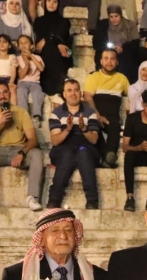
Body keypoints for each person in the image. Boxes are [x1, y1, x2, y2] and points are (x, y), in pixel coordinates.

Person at [0, 81, 45, 211]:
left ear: (10, 94)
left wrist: (22, 153)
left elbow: (33, 140)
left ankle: (32, 197)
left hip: (18, 151)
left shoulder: (21, 112)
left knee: (37, 153)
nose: (2, 96)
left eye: (5, 92)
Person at [47, 78, 101, 210]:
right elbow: (55, 140)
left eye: (76, 90)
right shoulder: (56, 113)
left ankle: (92, 201)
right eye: (69, 90)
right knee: (67, 153)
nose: (73, 93)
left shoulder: (90, 112)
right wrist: (67, 129)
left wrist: (84, 128)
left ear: (80, 93)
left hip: (86, 147)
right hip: (63, 148)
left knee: (83, 153)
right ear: (64, 94)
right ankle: (54, 200)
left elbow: (94, 140)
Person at [83, 48, 129, 168]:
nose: (109, 61)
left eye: (112, 59)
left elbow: (132, 94)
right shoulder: (93, 77)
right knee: (94, 126)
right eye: (106, 58)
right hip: (96, 113)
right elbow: (87, 97)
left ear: (117, 62)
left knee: (115, 124)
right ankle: (106, 156)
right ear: (101, 61)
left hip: (113, 117)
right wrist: (97, 116)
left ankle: (109, 155)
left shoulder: (122, 78)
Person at [34, 0, 73, 96]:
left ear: (58, 4)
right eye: (49, 1)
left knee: (51, 48)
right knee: (49, 48)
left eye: (55, 2)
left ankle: (53, 88)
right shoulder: (38, 21)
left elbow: (67, 47)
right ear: (45, 3)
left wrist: (49, 39)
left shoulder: (65, 22)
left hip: (64, 54)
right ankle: (56, 88)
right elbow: (39, 44)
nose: (51, 4)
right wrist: (56, 42)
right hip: (44, 55)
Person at [93, 4, 140, 84]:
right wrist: (109, 49)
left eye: (116, 16)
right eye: (111, 17)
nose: (114, 19)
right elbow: (96, 42)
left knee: (128, 59)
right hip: (107, 51)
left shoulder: (129, 24)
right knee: (101, 56)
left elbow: (135, 43)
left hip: (125, 52)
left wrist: (123, 48)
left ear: (120, 15)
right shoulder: (103, 24)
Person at [16, 35, 45, 126]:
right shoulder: (17, 58)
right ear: (18, 46)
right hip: (22, 82)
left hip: (35, 82)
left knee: (37, 92)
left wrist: (31, 57)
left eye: (26, 43)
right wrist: (27, 64)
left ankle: (37, 115)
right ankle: (24, 115)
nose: (23, 45)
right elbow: (21, 76)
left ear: (32, 46)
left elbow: (41, 68)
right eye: (21, 43)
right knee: (21, 91)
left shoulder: (38, 57)